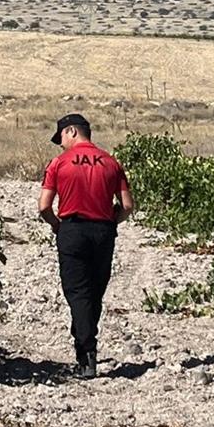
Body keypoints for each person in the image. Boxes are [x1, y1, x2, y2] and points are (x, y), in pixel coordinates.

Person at [38, 113, 134, 379]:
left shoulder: (59, 163)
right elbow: (127, 206)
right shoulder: (111, 162)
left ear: (71, 132)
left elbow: (44, 206)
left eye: (61, 138)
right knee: (94, 291)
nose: (60, 144)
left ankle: (86, 354)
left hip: (73, 230)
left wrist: (57, 226)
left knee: (77, 292)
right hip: (103, 231)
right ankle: (86, 342)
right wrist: (113, 221)